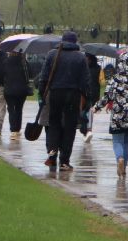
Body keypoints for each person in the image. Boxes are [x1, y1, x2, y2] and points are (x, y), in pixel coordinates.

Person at [38, 31, 92, 171]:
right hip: (73, 95)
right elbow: (86, 81)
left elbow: (43, 77)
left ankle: (52, 150)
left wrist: (42, 94)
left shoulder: (52, 54)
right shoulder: (80, 58)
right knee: (69, 127)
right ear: (75, 42)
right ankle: (64, 161)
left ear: (62, 41)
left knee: (54, 122)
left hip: (55, 93)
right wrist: (87, 99)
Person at [99, 51, 128, 177]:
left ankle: (119, 158)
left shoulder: (115, 79)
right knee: (127, 142)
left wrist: (97, 107)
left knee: (117, 141)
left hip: (118, 117)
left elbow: (107, 96)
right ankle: (123, 167)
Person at [3, 44, 31, 135]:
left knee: (11, 109)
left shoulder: (6, 62)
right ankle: (17, 128)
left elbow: (1, 74)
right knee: (19, 109)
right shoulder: (23, 62)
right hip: (21, 90)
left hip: (9, 89)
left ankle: (13, 129)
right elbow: (30, 73)